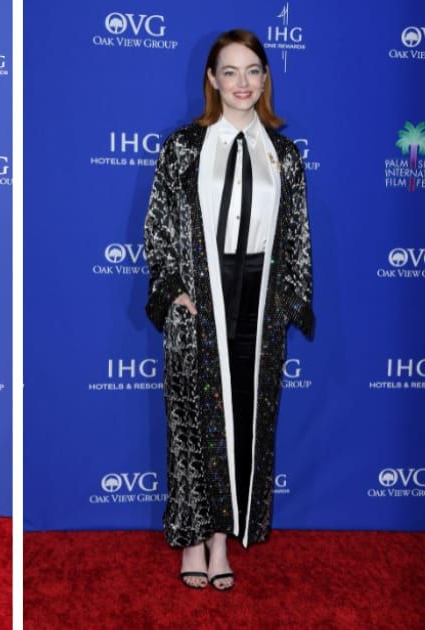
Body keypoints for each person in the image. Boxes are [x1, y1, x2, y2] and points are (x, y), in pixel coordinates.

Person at [144, 29, 313, 591]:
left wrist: (286, 302)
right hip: (201, 298)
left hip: (259, 301)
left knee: (247, 419)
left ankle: (224, 539)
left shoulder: (284, 154)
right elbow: (160, 226)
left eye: (253, 71)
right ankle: (193, 536)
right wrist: (173, 292)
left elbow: (295, 236)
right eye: (231, 71)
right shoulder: (184, 147)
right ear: (212, 79)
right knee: (193, 421)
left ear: (266, 79)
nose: (243, 83)